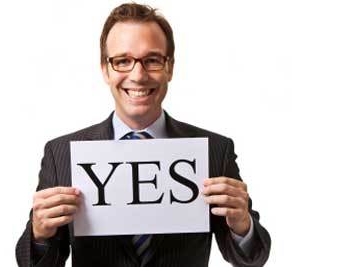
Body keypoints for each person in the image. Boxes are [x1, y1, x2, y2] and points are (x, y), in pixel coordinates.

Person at [16, 3, 271, 267]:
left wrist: (243, 225)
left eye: (152, 60)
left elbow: (252, 258)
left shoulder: (214, 151)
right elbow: (36, 263)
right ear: (105, 69)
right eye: (122, 61)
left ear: (169, 67)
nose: (137, 76)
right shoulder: (62, 154)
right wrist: (40, 233)